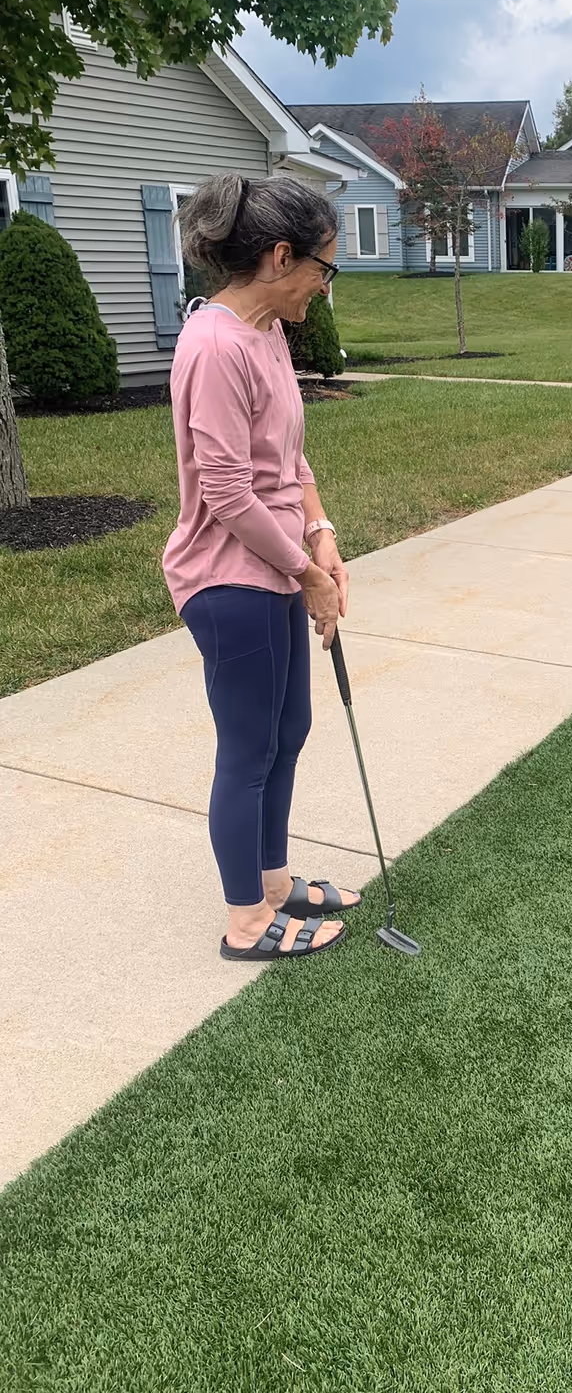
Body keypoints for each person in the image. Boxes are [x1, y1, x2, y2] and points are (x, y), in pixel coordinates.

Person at [165, 173, 361, 959]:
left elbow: (287, 456)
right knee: (248, 746)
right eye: (324, 267)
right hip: (227, 578)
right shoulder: (213, 346)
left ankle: (274, 881)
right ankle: (245, 918)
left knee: (290, 728)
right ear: (280, 257)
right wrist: (305, 573)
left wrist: (322, 535)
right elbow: (225, 492)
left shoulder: (269, 333)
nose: (324, 283)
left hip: (277, 564)